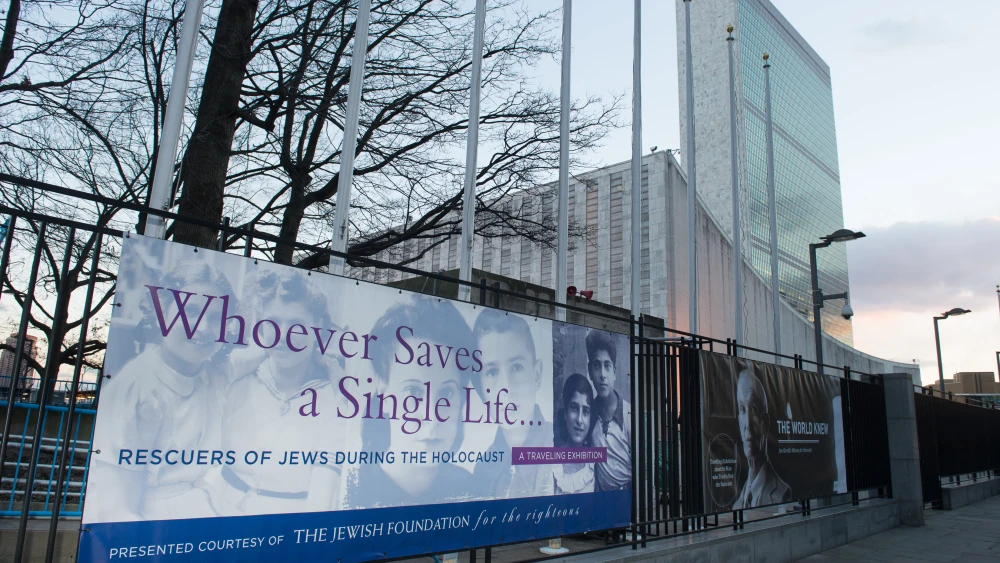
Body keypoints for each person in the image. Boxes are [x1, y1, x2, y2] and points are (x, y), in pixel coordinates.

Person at [85, 260, 232, 522]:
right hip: (155, 525)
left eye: (215, 317)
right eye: (191, 311)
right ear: (163, 311)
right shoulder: (135, 387)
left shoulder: (213, 375)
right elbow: (116, 509)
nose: (203, 328)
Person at [204, 268, 345, 516]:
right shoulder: (235, 378)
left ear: (318, 326)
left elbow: (322, 495)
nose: (283, 335)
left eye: (296, 325)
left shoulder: (333, 399)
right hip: (215, 511)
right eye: (273, 323)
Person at [342, 296, 475, 508]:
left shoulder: (471, 489)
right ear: (383, 391)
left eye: (447, 393)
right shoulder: (352, 492)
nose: (432, 417)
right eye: (413, 391)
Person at [472, 309, 553, 499]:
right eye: (492, 372)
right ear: (481, 387)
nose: (505, 388)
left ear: (537, 375)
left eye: (517, 367)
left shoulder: (559, 446)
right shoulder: (483, 468)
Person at [732, 366, 791, 509]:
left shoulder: (782, 494)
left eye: (754, 410)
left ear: (766, 421)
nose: (748, 424)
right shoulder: (737, 505)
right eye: (742, 409)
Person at [586, 330, 631, 492]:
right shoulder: (588, 414)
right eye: (597, 366)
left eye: (607, 366)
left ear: (614, 372)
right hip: (601, 499)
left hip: (627, 496)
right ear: (590, 371)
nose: (602, 375)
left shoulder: (628, 415)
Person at [553, 373, 596, 494]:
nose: (579, 420)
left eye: (586, 411)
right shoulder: (552, 466)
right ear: (565, 413)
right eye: (574, 408)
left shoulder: (594, 467)